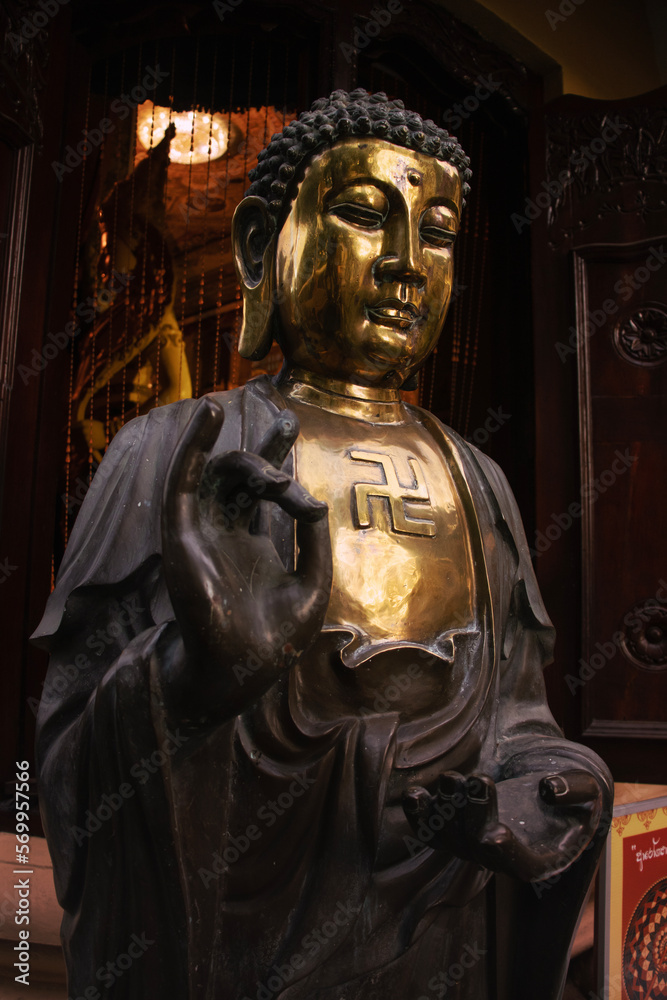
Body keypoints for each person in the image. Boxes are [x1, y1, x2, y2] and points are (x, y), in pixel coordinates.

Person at [34, 89, 612, 1000]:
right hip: (246, 941)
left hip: (440, 929)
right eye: (359, 215)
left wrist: (547, 789)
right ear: (264, 244)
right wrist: (195, 683)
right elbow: (63, 755)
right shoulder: (177, 448)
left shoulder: (476, 479)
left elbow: (518, 719)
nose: (405, 267)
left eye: (438, 232)